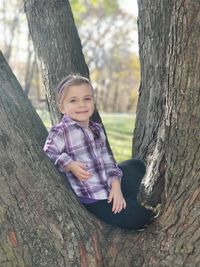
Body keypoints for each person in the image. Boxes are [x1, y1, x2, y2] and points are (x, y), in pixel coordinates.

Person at [43, 74, 155, 230]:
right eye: (73, 100)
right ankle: (126, 207)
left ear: (93, 102)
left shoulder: (96, 129)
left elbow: (108, 160)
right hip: (94, 197)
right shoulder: (61, 132)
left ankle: (122, 198)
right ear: (62, 107)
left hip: (107, 183)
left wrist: (115, 186)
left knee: (137, 166)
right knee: (143, 217)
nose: (81, 104)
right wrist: (69, 164)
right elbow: (48, 154)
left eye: (87, 99)